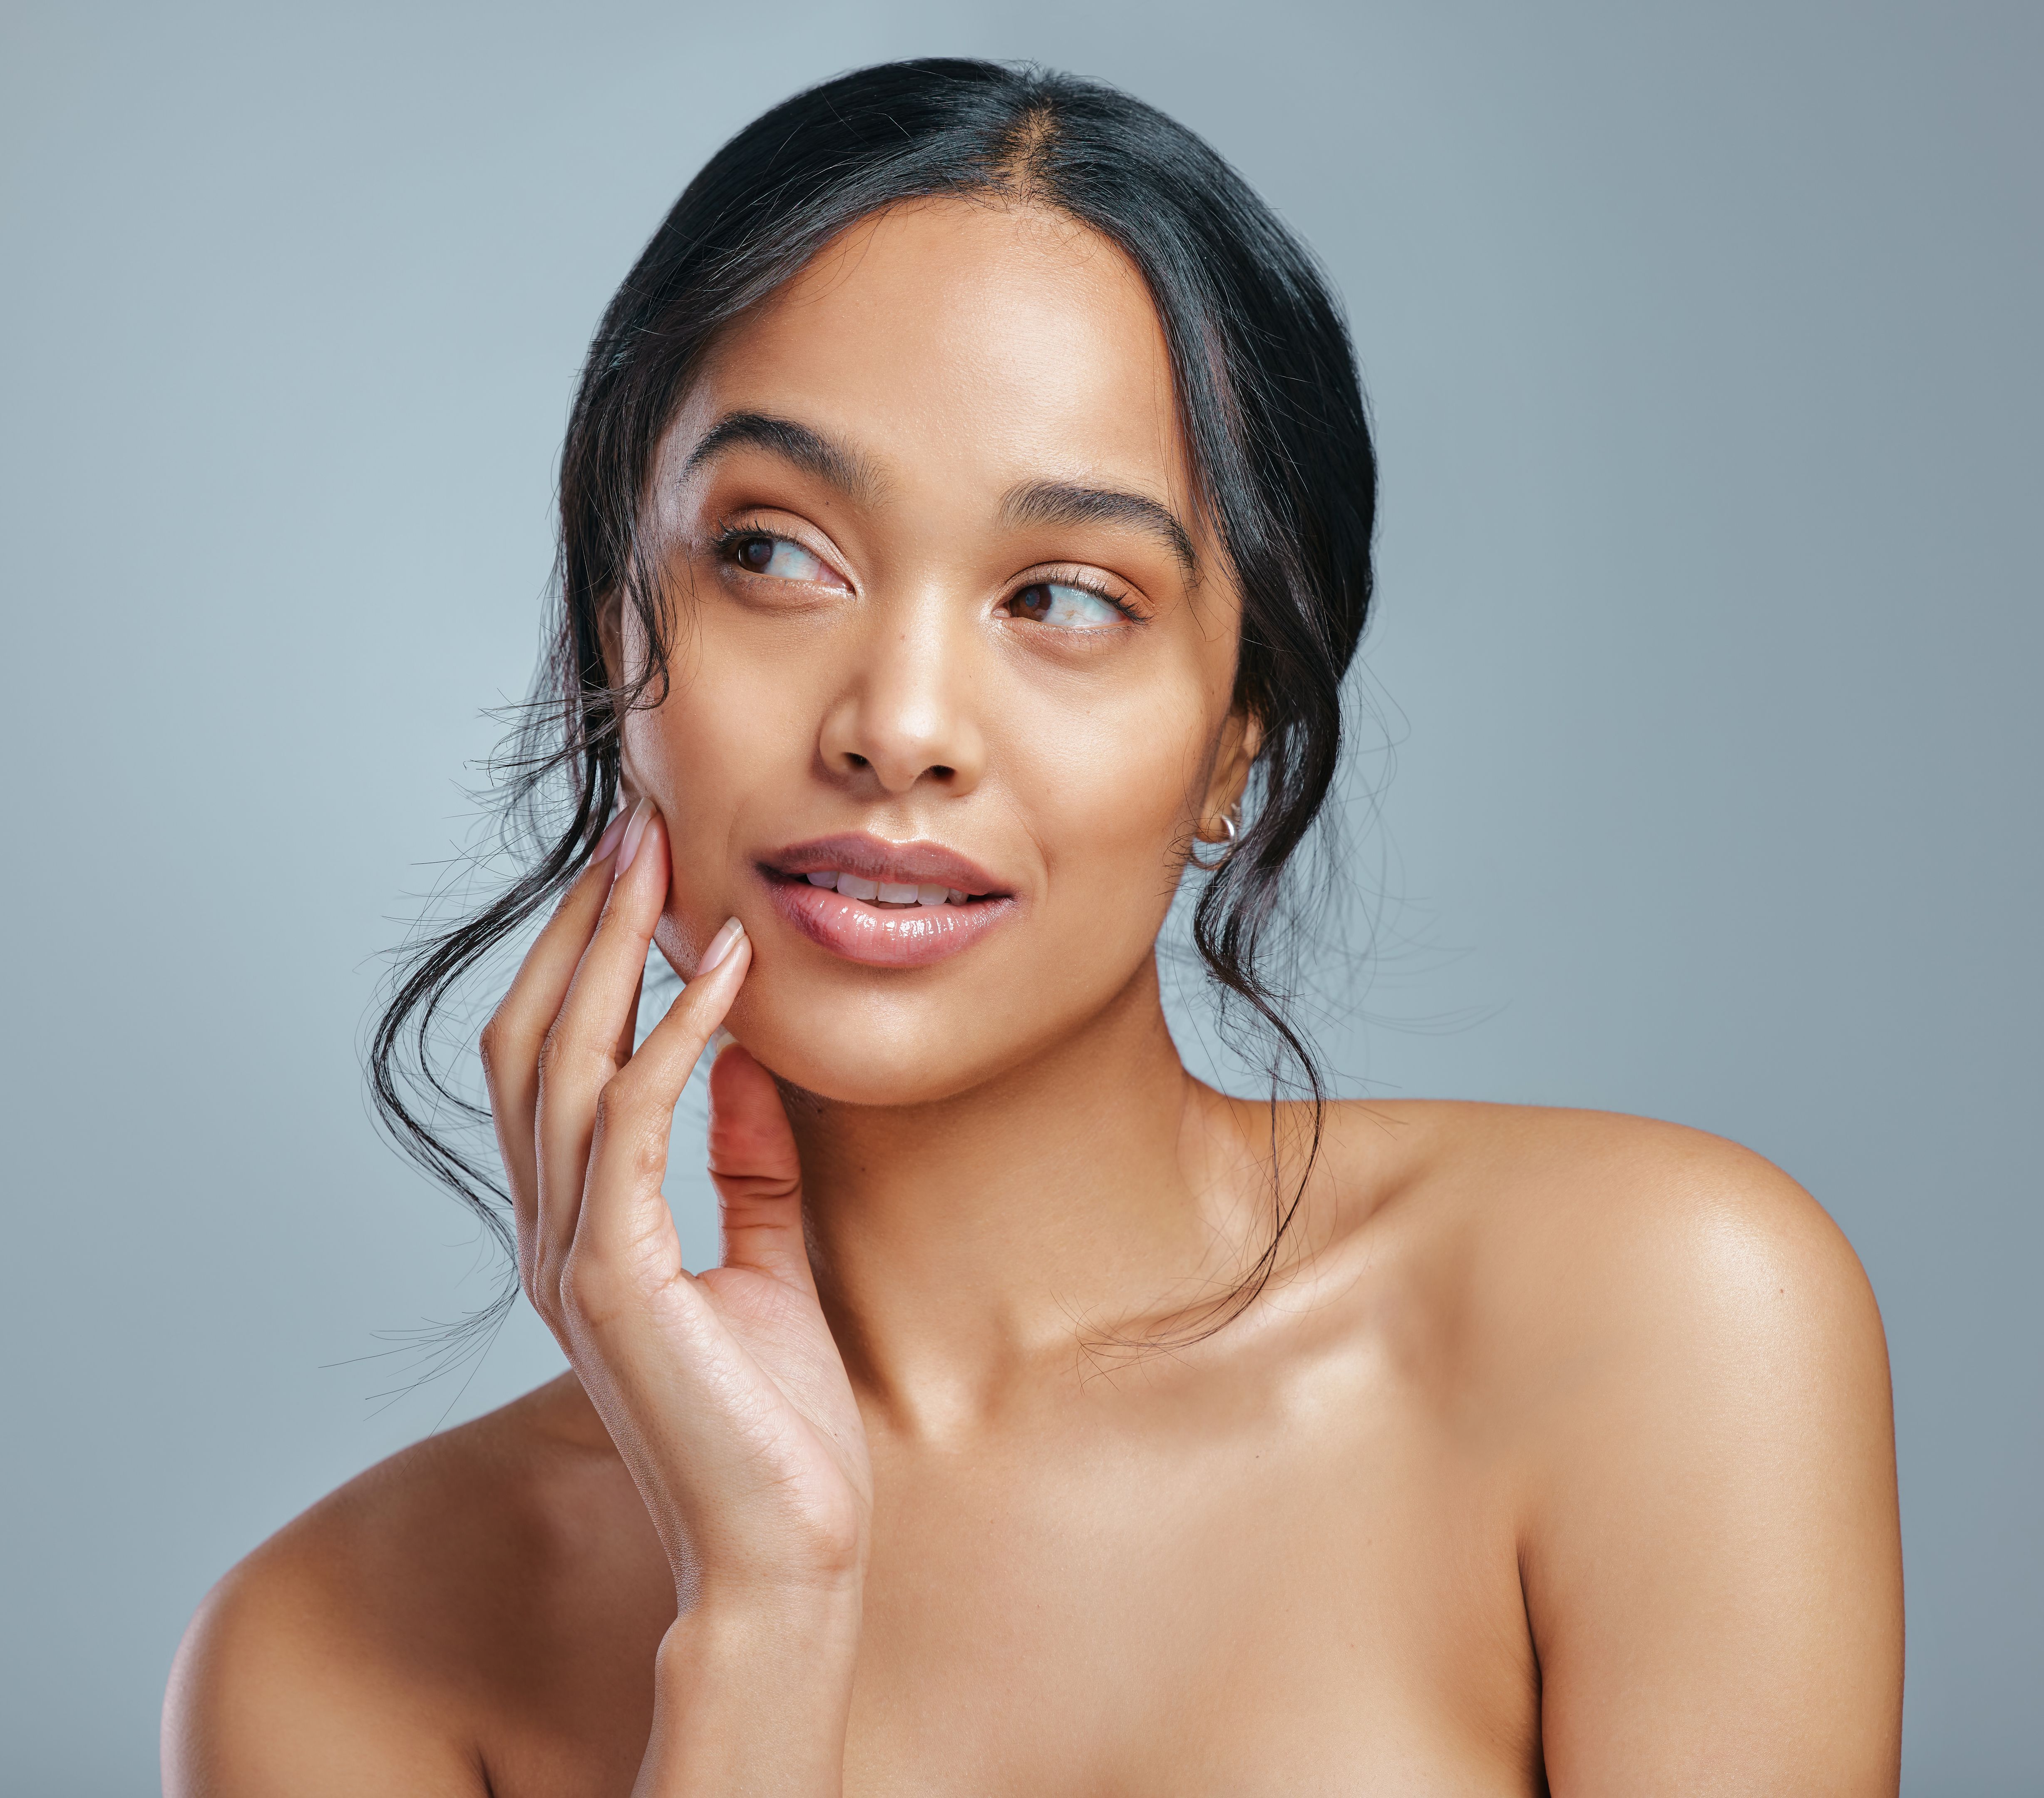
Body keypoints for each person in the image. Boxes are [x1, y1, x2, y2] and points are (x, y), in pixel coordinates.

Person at [161, 58, 1903, 1796]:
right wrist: (765, 1614)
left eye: (1065, 597)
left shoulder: (1658, 1323)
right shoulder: (334, 1657)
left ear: (1244, 736)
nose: (899, 722)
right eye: (773, 552)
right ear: (605, 642)